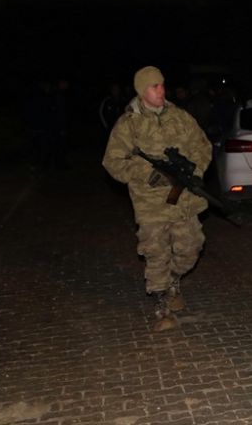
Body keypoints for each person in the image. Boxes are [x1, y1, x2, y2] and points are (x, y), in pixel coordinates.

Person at [102, 66, 212, 332]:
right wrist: (144, 173)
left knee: (192, 248)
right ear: (142, 91)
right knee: (156, 253)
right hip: (150, 203)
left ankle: (173, 281)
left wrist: (193, 171)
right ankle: (162, 305)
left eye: (162, 85)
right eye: (154, 87)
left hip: (184, 200)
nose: (161, 90)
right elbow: (112, 162)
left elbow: (203, 146)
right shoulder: (129, 124)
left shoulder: (181, 117)